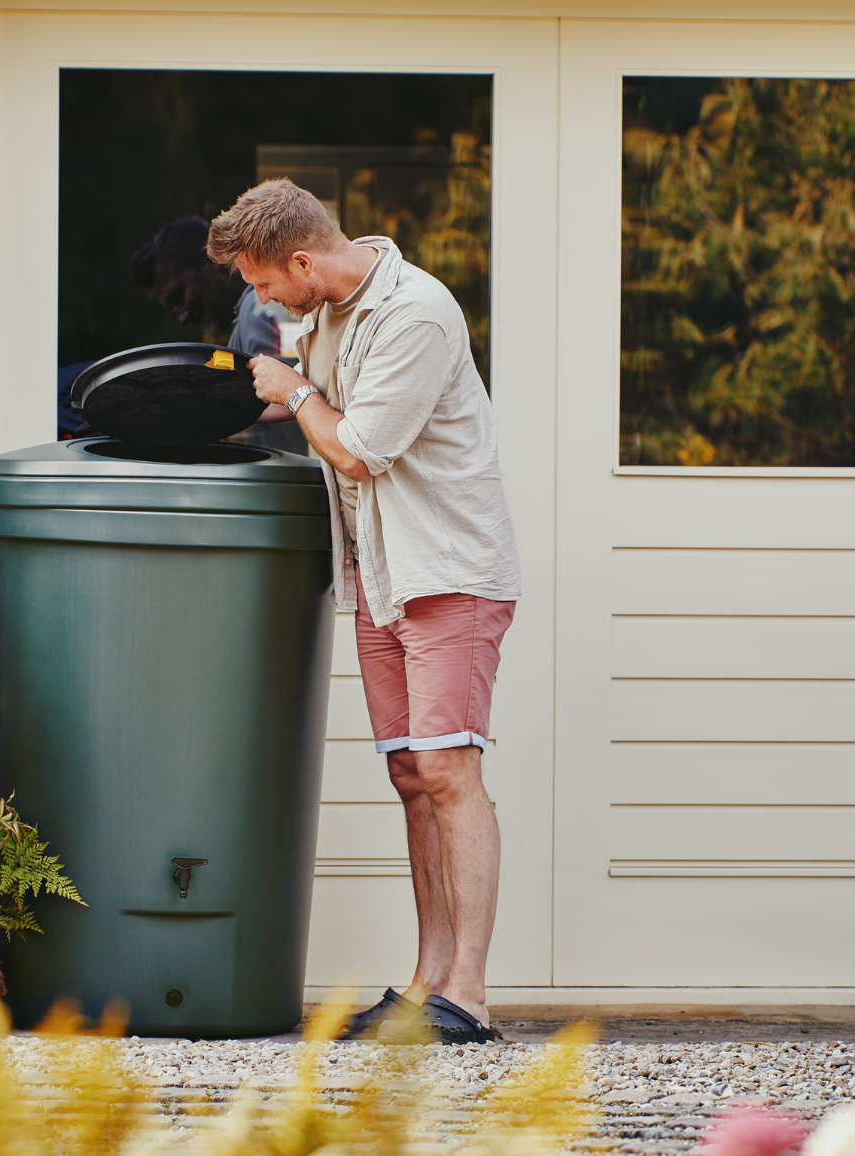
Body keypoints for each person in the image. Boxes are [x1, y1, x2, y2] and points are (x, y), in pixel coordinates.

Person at [205, 180, 521, 1045]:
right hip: (382, 576)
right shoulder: (332, 313)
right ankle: (427, 987)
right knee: (411, 777)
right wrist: (189, 403)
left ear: (303, 261)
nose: (263, 301)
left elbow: (357, 449)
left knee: (450, 772)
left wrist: (295, 390)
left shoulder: (416, 313)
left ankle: (470, 995)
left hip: (448, 573)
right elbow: (301, 399)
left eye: (266, 285)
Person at [133, 216, 306, 454]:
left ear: (209, 259)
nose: (182, 317)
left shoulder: (259, 310)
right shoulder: (248, 318)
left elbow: (294, 394)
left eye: (178, 296)